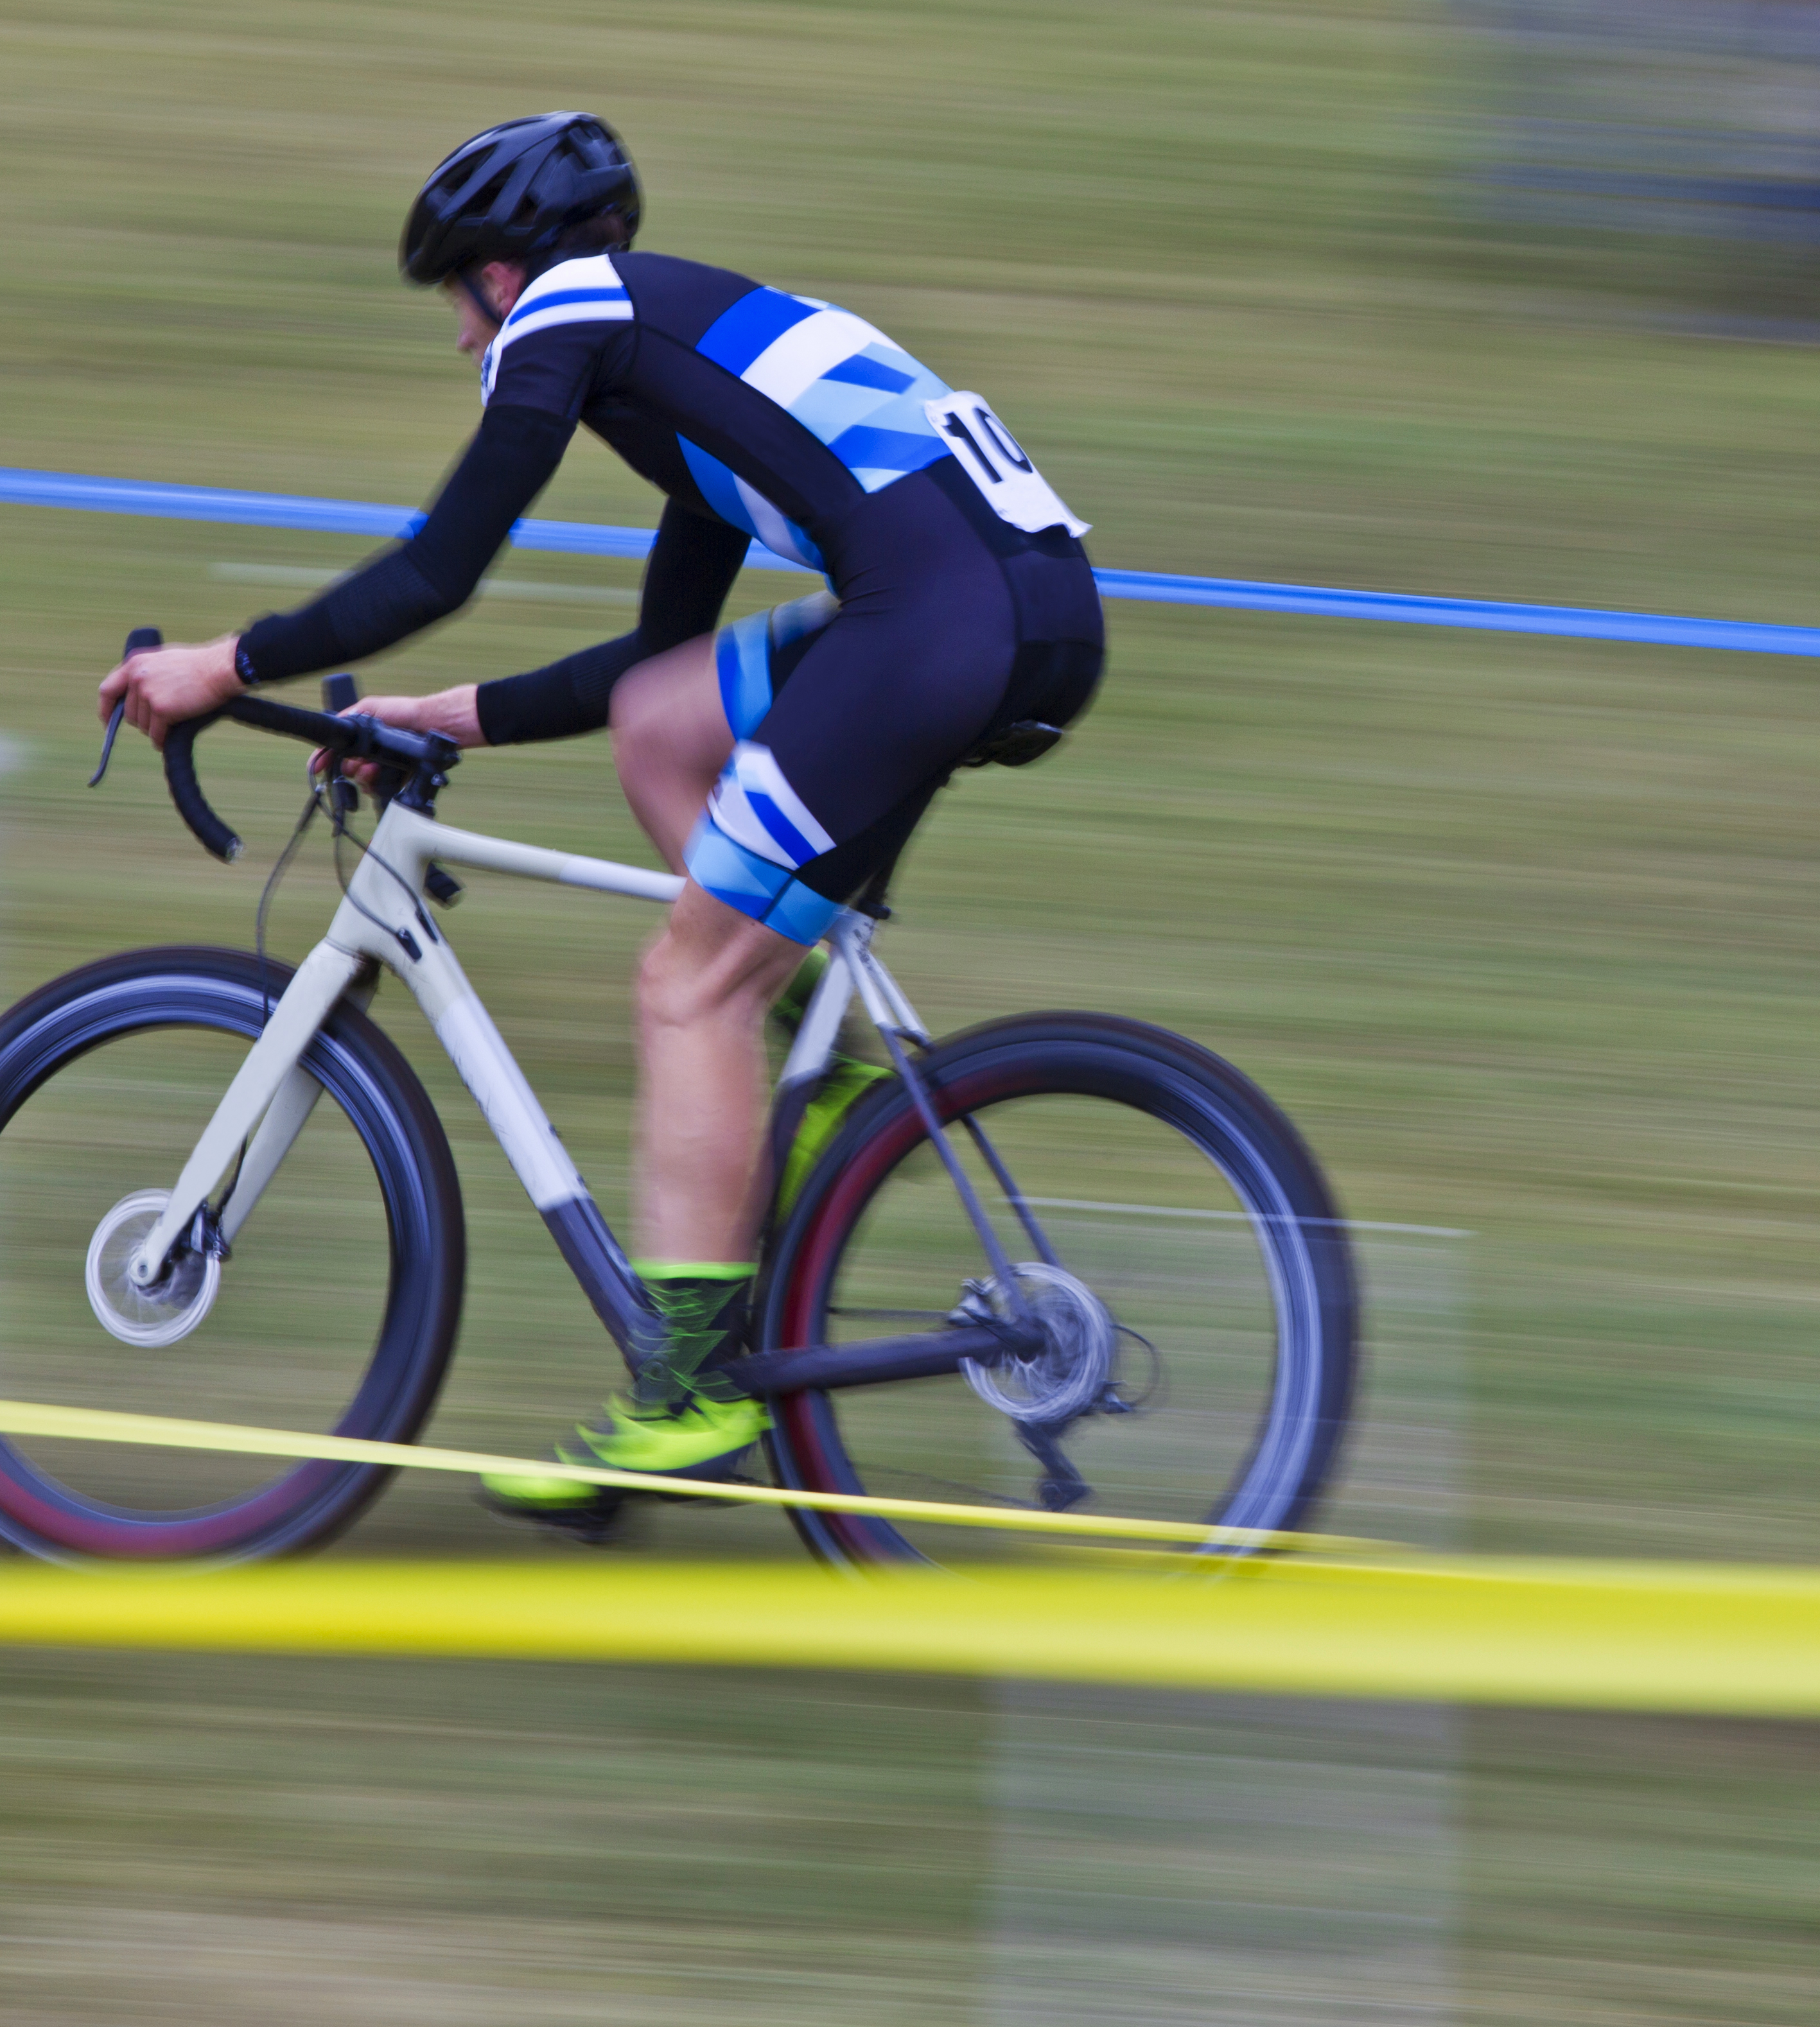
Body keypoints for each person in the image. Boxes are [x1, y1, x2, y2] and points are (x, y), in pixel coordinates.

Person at [97, 112, 1105, 1538]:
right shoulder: (689, 369)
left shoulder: (566, 319)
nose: (466, 344)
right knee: (665, 730)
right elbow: (646, 673)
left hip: (941, 624)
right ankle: (802, 1056)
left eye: (459, 302)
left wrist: (227, 662)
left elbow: (441, 561)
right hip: (1013, 612)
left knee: (684, 982)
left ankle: (689, 1392)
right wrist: (441, 716)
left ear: (503, 272)